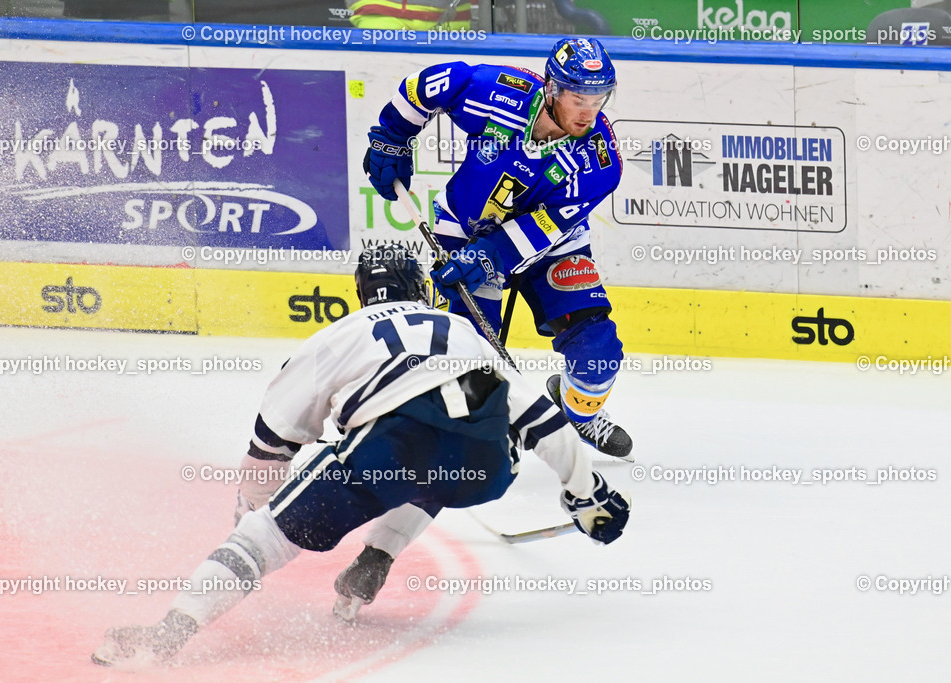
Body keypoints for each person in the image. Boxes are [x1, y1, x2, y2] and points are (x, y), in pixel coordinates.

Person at [91, 245, 629, 667]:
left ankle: (169, 633)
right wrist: (585, 496)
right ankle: (377, 556)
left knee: (268, 535)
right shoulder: (464, 329)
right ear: (421, 290)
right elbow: (539, 417)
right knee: (451, 454)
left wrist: (254, 518)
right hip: (485, 469)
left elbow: (272, 442)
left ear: (362, 295)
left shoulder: (341, 333)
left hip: (391, 448)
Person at [362, 37, 632, 463]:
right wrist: (392, 137)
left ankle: (577, 411)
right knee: (466, 353)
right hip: (464, 231)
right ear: (553, 88)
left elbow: (546, 225)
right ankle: (463, 424)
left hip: (554, 248)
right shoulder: (499, 93)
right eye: (579, 97)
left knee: (598, 354)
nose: (589, 111)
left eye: (599, 98)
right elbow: (427, 84)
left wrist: (491, 256)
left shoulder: (600, 163)